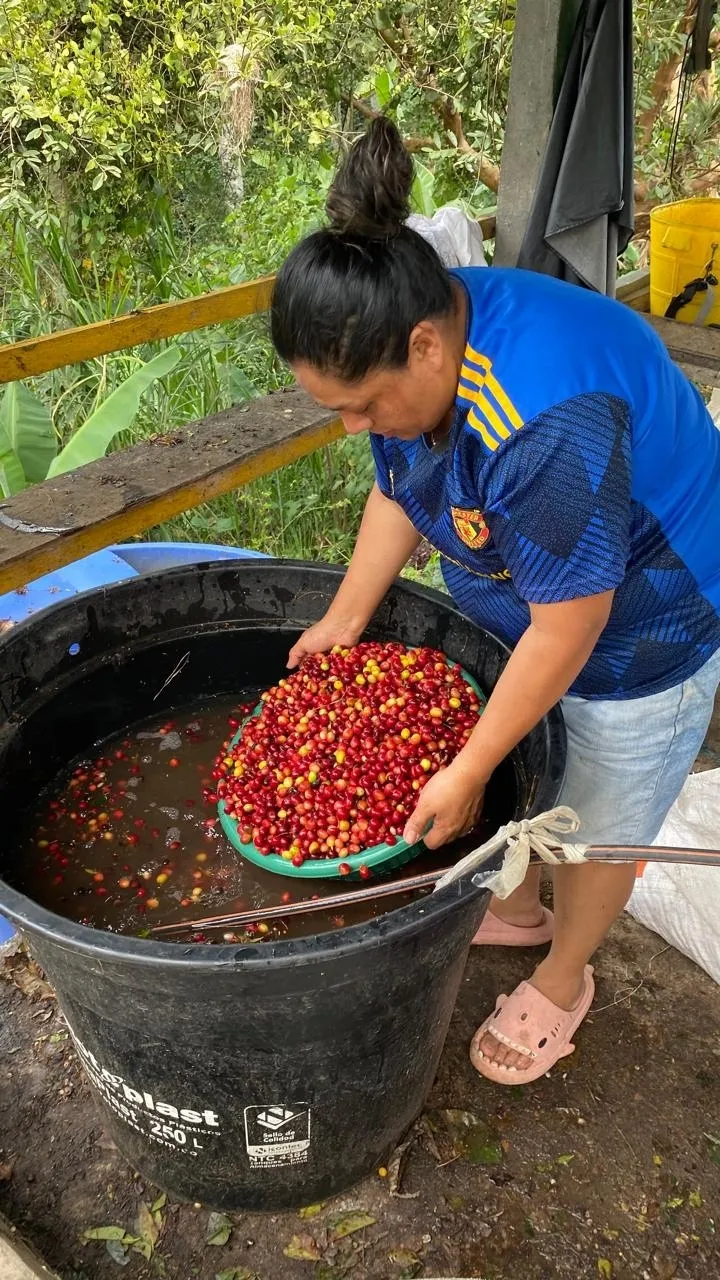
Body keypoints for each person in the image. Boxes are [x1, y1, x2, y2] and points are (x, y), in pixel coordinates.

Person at [269, 117, 720, 1085]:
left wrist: (468, 764)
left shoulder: (543, 416)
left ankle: (563, 976)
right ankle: (517, 910)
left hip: (646, 614)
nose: (353, 427)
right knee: (519, 758)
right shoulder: (408, 343)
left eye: (358, 405)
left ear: (425, 347)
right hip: (541, 581)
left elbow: (574, 624)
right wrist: (345, 620)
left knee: (596, 811)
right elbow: (397, 482)